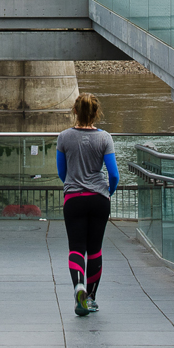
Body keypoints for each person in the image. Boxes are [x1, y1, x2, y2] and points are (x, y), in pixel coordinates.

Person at [56, 93, 119, 317]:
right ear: (96, 113)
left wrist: (73, 186)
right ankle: (91, 298)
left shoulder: (64, 137)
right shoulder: (105, 138)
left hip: (74, 199)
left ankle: (78, 287)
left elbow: (61, 172)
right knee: (94, 251)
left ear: (75, 111)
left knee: (76, 248)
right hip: (99, 199)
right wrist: (107, 192)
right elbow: (113, 174)